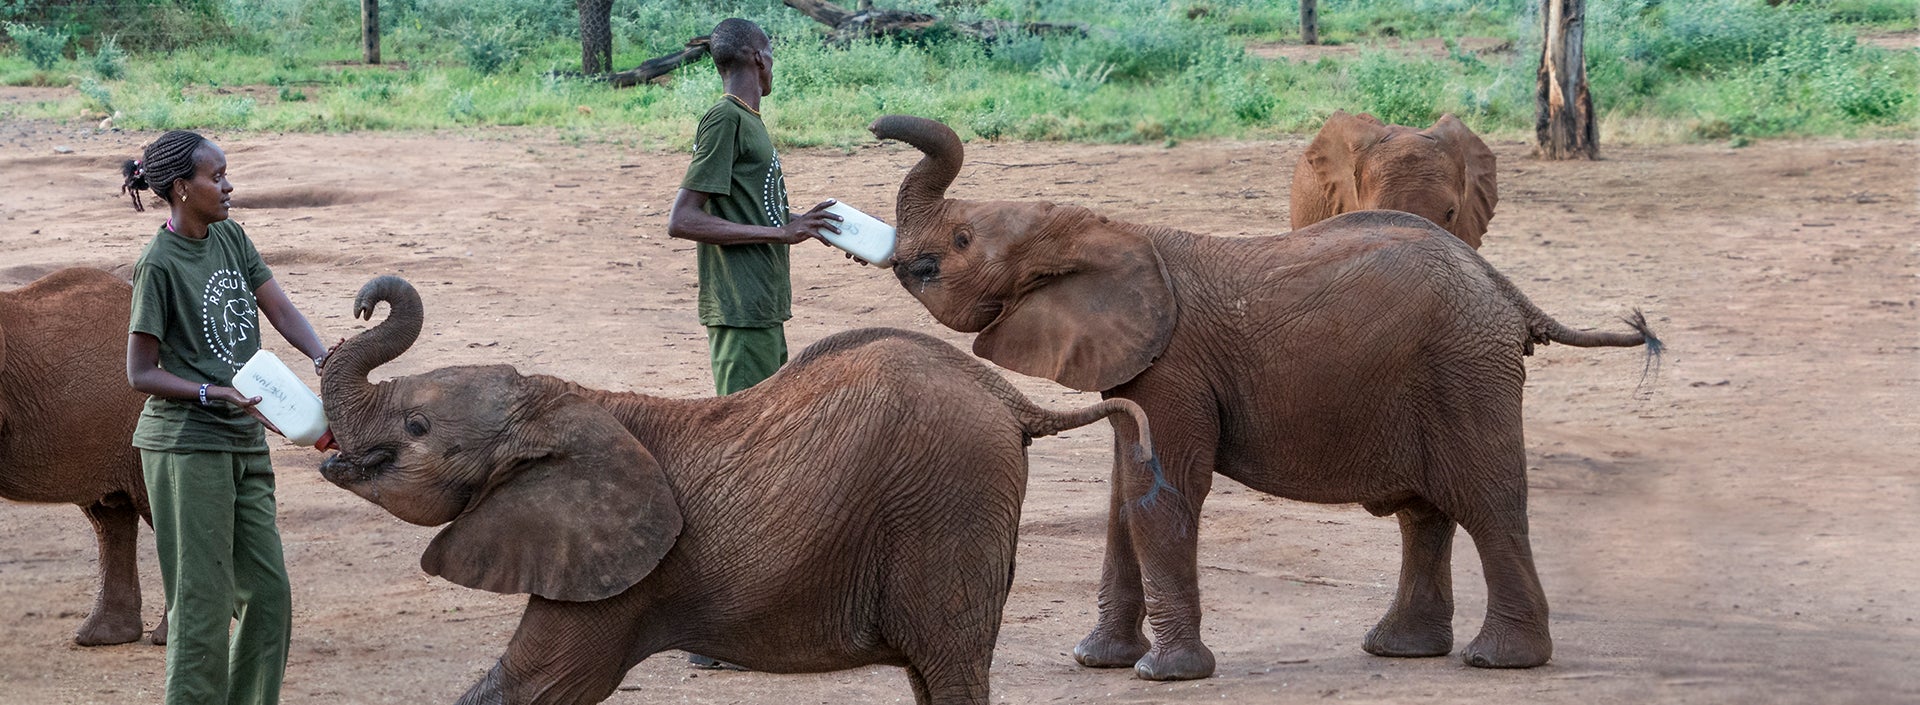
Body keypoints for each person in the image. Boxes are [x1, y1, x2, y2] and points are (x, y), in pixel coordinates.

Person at [120, 130, 331, 705]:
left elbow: (278, 305)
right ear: (182, 189)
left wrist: (324, 358)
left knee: (268, 597)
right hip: (187, 446)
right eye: (217, 177)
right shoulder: (157, 265)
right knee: (200, 603)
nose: (228, 185)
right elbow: (141, 373)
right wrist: (213, 393)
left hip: (244, 437)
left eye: (226, 173)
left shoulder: (231, 237)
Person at [668, 17, 842, 398]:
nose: (773, 65)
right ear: (760, 59)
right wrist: (781, 233)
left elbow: (750, 210)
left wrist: (808, 224)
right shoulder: (725, 118)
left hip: (762, 306)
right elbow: (682, 219)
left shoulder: (749, 121)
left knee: (769, 429)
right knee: (744, 437)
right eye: (772, 55)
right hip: (740, 307)